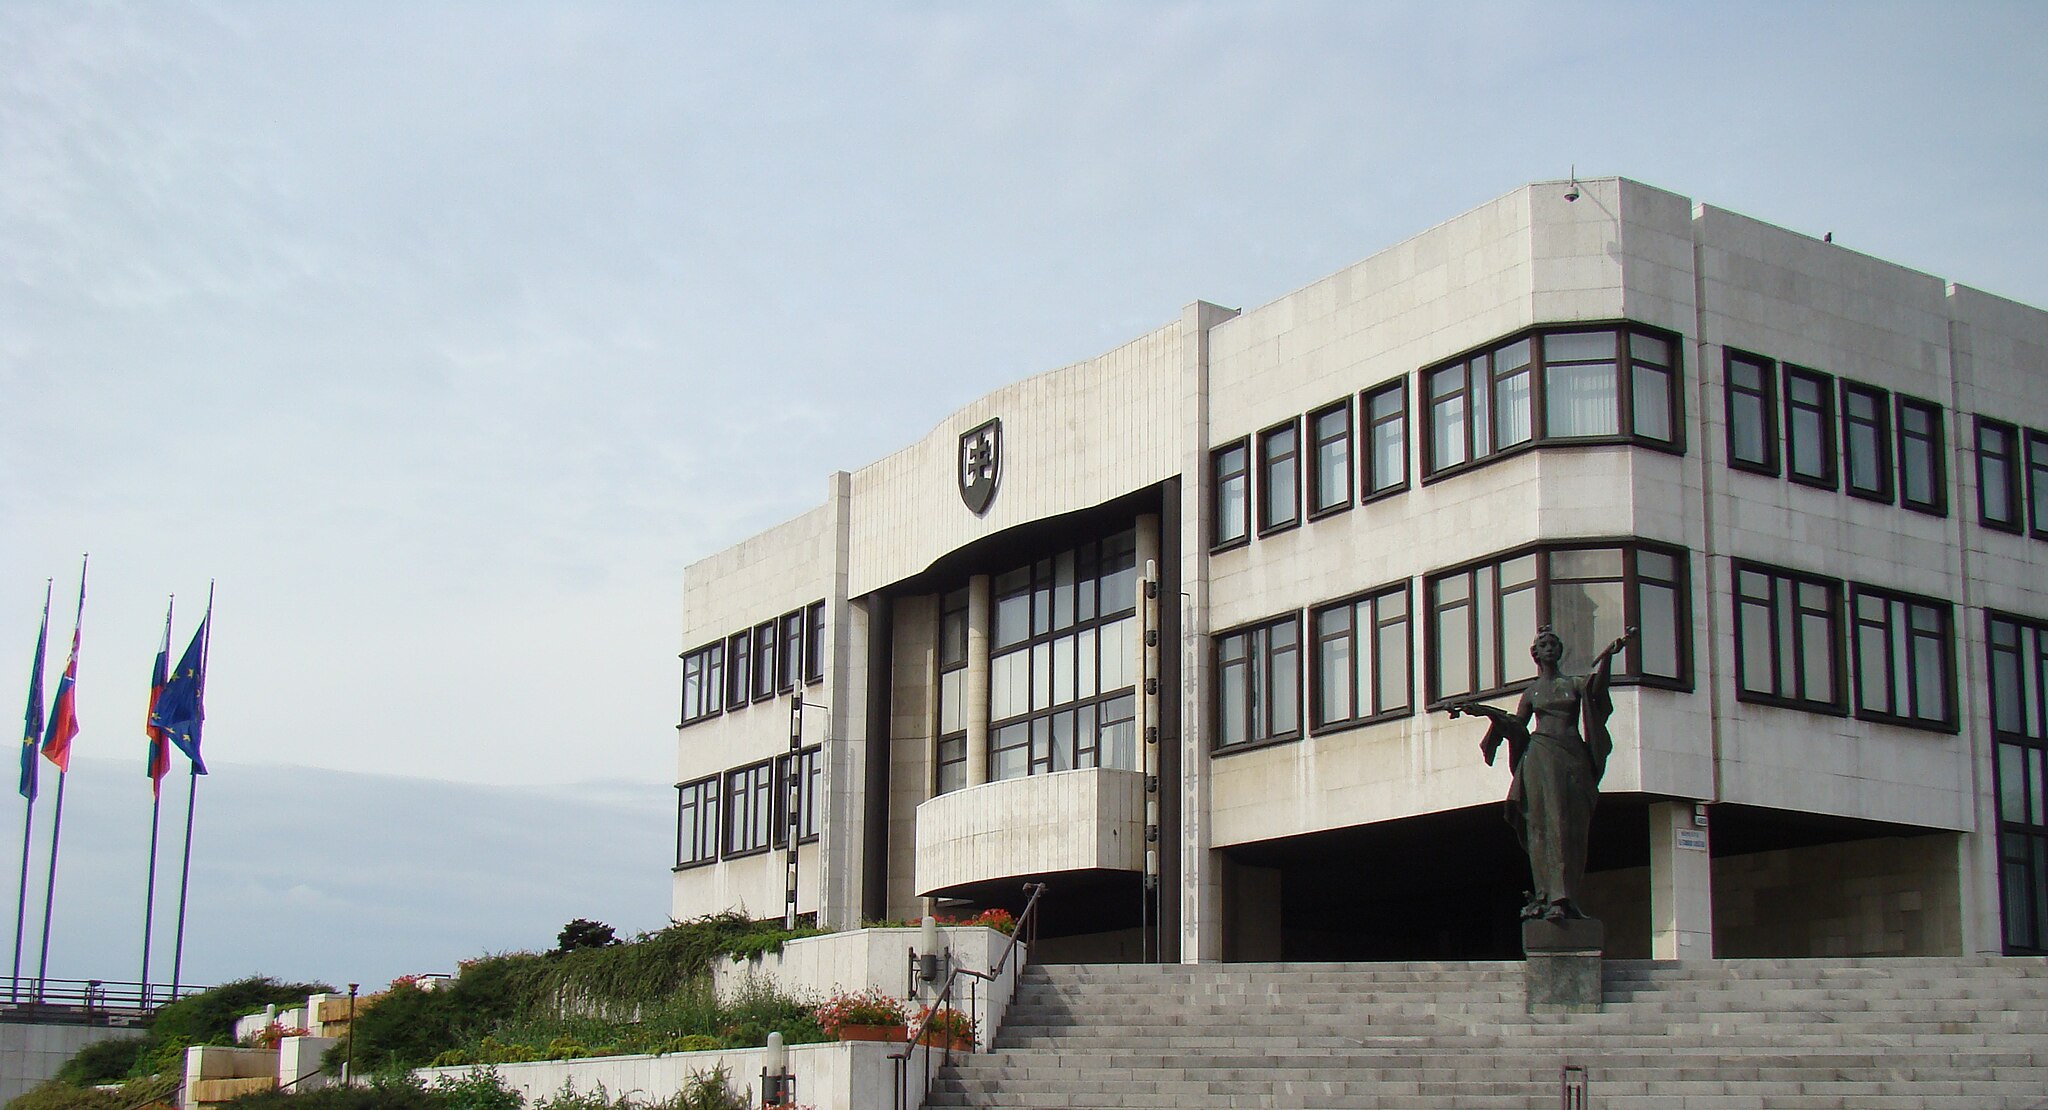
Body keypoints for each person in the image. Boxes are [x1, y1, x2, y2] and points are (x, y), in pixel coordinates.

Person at [1446, 625, 1633, 923]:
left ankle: (1566, 896)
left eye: (1553, 644)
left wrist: (1609, 658)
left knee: (1571, 829)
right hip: (1540, 757)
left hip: (1572, 757)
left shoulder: (1574, 684)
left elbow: (1598, 695)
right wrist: (1484, 712)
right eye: (1543, 644)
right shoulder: (1532, 692)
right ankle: (1550, 896)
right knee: (1544, 828)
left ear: (1559, 651)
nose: (1549, 648)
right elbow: (1518, 726)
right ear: (1535, 654)